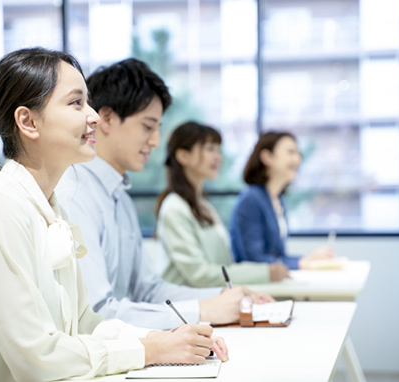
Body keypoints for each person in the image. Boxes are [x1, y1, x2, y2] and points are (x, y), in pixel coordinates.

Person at [0, 48, 226, 382]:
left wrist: (159, 340)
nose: (93, 117)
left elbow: (84, 322)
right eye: (76, 103)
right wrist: (149, 351)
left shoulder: (49, 208)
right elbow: (36, 357)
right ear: (28, 122)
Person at [56, 58, 271, 331]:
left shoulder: (119, 196)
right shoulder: (74, 194)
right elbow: (96, 313)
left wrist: (223, 297)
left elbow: (147, 289)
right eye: (148, 126)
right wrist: (204, 309)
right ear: (106, 118)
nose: (156, 141)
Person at [155, 122, 291, 288]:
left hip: (210, 299)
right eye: (210, 149)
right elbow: (199, 274)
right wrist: (265, 272)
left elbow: (225, 265)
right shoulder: (174, 207)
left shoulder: (204, 207)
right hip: (185, 305)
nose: (218, 157)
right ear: (183, 156)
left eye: (218, 150)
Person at [229, 131, 334, 274]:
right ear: (267, 157)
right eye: (290, 152)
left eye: (298, 154)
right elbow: (254, 260)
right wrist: (302, 262)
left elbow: (278, 257)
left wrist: (308, 259)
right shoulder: (251, 200)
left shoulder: (277, 200)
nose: (297, 159)